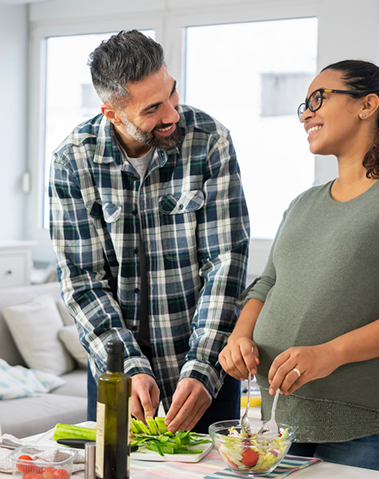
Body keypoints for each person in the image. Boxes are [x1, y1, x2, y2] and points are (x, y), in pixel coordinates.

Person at [219, 60, 379, 476]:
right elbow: (267, 284)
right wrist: (240, 337)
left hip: (370, 426)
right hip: (282, 422)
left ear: (367, 105)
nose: (306, 113)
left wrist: (331, 354)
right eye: (303, 105)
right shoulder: (303, 203)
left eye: (319, 98)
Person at [49, 30, 250, 433]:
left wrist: (202, 368)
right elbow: (83, 282)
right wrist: (127, 368)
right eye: (153, 109)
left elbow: (225, 264)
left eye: (172, 93)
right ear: (112, 113)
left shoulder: (210, 141)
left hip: (205, 372)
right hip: (117, 373)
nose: (172, 114)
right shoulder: (73, 161)